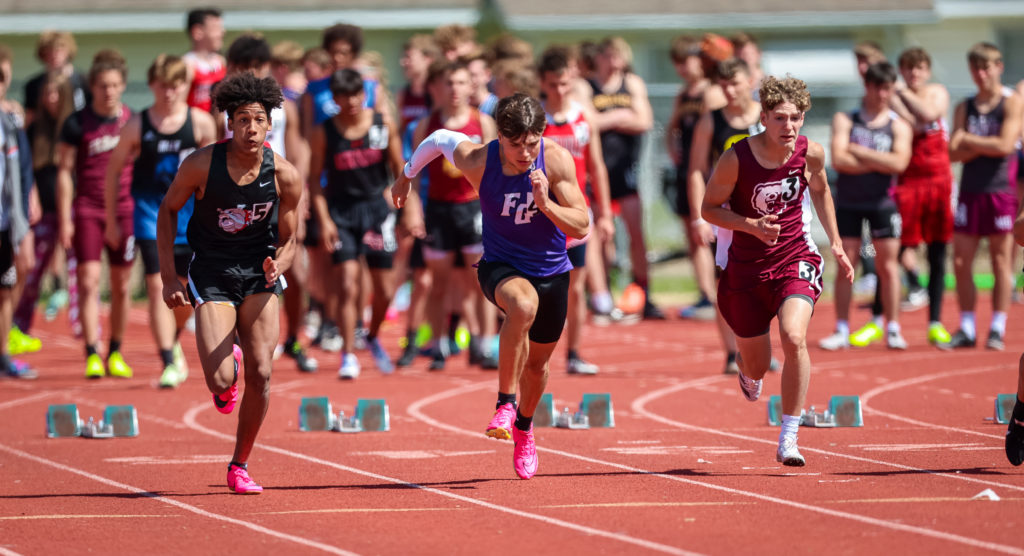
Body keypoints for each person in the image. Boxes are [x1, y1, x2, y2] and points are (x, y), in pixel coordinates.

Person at [393, 93, 589, 479]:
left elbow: (581, 225)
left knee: (538, 366)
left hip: (552, 271)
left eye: (532, 143)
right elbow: (439, 139)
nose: (525, 152)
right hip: (500, 266)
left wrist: (546, 204)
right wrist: (406, 175)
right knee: (523, 306)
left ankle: (525, 427)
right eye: (516, 144)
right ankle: (504, 403)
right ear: (499, 136)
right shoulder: (480, 160)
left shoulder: (556, 160)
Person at [157, 71, 302, 494]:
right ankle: (228, 365)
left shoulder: (284, 174)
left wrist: (282, 263)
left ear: (270, 124)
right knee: (222, 381)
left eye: (258, 119)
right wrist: (170, 277)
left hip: (259, 274)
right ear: (229, 123)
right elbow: (168, 212)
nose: (251, 128)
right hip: (213, 272)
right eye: (242, 119)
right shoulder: (202, 164)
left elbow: (292, 237)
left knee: (263, 371)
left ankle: (239, 463)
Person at [701, 75, 854, 466]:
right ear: (764, 117)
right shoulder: (737, 157)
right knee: (755, 363)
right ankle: (747, 371)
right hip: (746, 271)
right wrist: (751, 225)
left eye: (797, 118)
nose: (789, 127)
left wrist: (835, 242)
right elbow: (709, 209)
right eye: (781, 118)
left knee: (793, 335)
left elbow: (820, 190)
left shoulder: (810, 153)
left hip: (794, 258)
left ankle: (789, 436)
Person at [103, 54, 217, 388]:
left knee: (185, 291)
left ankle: (176, 334)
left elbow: (213, 175)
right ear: (152, 85)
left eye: (176, 84)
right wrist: (112, 218)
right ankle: (168, 358)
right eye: (162, 85)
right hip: (150, 214)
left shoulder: (200, 123)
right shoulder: (138, 125)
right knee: (157, 284)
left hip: (190, 217)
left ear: (186, 86)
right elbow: (113, 172)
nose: (169, 92)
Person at [308, 69, 410, 378]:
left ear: (363, 95)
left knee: (384, 289)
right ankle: (348, 354)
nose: (351, 102)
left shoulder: (381, 125)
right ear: (334, 100)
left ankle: (373, 335)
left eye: (356, 95)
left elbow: (400, 169)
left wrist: (406, 207)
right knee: (347, 282)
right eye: (343, 96)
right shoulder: (324, 132)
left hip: (377, 211)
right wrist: (324, 219)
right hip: (341, 212)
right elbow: (314, 180)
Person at [819, 61, 912, 351]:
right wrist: (878, 162)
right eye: (880, 88)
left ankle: (893, 328)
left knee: (888, 267)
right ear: (868, 86)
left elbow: (899, 163)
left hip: (883, 203)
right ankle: (842, 329)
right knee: (846, 266)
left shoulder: (899, 125)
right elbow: (838, 160)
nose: (884, 95)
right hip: (848, 202)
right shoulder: (846, 119)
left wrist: (858, 151)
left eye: (889, 89)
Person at [412, 60, 497, 370]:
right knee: (439, 282)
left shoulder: (483, 122)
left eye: (461, 83)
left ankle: (484, 344)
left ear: (470, 87)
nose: (455, 90)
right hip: (439, 209)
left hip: (473, 208)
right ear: (438, 87)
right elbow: (414, 173)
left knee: (480, 282)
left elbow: (493, 171)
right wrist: (413, 212)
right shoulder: (428, 124)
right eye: (449, 83)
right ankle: (438, 346)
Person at [56, 49, 136, 379]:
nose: (109, 91)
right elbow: (63, 171)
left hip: (125, 208)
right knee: (89, 282)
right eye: (103, 85)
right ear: (93, 86)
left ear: (123, 86)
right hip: (88, 208)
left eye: (115, 85)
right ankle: (92, 351)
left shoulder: (132, 121)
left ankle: (115, 351)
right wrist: (65, 218)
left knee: (120, 284)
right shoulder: (77, 123)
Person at [538, 47, 613, 375]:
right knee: (540, 287)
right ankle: (538, 354)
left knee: (576, 287)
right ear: (543, 82)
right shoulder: (536, 119)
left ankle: (575, 353)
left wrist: (606, 213)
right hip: (542, 215)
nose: (559, 90)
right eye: (553, 84)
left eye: (565, 84)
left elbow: (597, 166)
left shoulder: (583, 118)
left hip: (576, 213)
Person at [688, 58, 762, 374]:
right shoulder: (712, 121)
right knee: (728, 283)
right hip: (726, 213)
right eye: (723, 85)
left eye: (735, 83)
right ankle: (732, 353)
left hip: (763, 211)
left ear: (750, 81)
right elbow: (695, 169)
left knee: (763, 283)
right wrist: (698, 217)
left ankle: (758, 348)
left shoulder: (767, 118)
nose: (729, 91)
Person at [947, 43, 1023, 350]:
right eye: (976, 68)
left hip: (1001, 190)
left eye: (987, 66)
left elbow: (1005, 145)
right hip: (970, 191)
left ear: (999, 67)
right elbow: (952, 152)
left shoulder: (1012, 102)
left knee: (1000, 261)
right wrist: (979, 145)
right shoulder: (964, 106)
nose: (981, 74)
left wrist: (968, 140)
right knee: (962, 260)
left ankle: (997, 327)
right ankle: (966, 326)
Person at [583, 37, 662, 319]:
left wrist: (606, 118)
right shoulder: (586, 85)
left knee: (636, 232)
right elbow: (587, 122)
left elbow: (644, 121)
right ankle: (602, 296)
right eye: (607, 54)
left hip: (626, 170)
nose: (613, 60)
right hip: (596, 169)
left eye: (618, 54)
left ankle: (644, 291)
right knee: (599, 235)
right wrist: (620, 115)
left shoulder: (633, 83)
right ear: (599, 57)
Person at [889, 47, 955, 347]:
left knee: (938, 254)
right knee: (894, 248)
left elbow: (929, 114)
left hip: (939, 181)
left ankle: (936, 321)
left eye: (919, 68)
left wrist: (904, 94)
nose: (914, 74)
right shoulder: (892, 95)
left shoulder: (937, 91)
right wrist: (903, 98)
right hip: (908, 182)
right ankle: (886, 318)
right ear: (901, 70)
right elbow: (912, 124)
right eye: (908, 68)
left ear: (927, 70)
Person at [666, 35, 719, 322]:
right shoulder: (683, 94)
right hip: (687, 171)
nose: (683, 68)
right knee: (694, 233)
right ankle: (705, 294)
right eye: (678, 63)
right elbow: (671, 127)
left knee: (713, 235)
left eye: (687, 61)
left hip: (708, 173)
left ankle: (715, 293)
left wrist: (712, 167)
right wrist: (672, 150)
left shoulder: (711, 92)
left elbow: (716, 132)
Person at [0, 48, 38, 379]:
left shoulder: (11, 122)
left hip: (5, 219)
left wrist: (24, 214)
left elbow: (23, 170)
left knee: (6, 284)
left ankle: (3, 354)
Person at [22, 30, 89, 126]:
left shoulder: (83, 81)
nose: (54, 54)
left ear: (68, 51)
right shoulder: (34, 85)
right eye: (49, 50)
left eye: (59, 49)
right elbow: (30, 117)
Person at [183, 8, 226, 113]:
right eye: (216, 28)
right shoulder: (186, 64)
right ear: (197, 32)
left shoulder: (221, 62)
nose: (223, 32)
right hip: (196, 126)